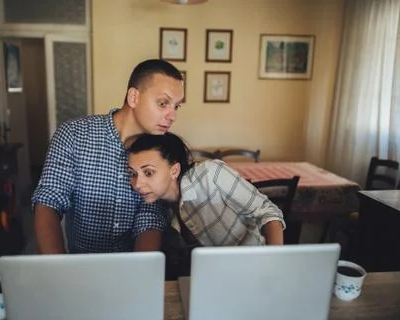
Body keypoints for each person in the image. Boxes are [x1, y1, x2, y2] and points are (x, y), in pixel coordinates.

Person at [32, 59, 184, 254]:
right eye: (163, 103)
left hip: (131, 266)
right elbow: (49, 200)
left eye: (176, 106)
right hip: (80, 265)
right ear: (134, 97)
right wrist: (58, 268)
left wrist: (139, 271)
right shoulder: (74, 134)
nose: (172, 116)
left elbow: (150, 216)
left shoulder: (160, 148)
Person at [127, 132, 285, 247]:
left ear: (174, 170)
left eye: (148, 172)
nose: (137, 184)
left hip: (254, 266)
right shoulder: (157, 205)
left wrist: (272, 263)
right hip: (215, 278)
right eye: (132, 174)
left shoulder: (210, 174)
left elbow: (268, 212)